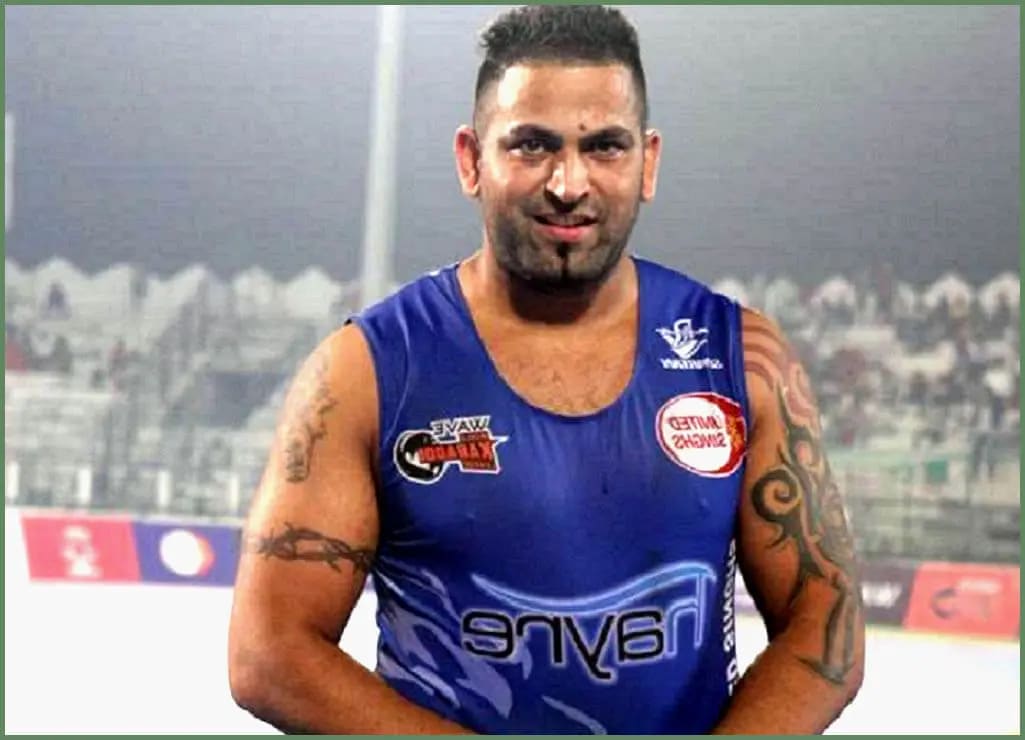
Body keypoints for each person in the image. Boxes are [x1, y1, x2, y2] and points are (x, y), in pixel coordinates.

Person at [228, 5, 864, 734]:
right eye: (531, 145)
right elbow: (269, 654)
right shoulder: (365, 371)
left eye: (605, 147)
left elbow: (826, 624)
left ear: (648, 162)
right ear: (471, 160)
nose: (568, 183)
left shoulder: (740, 358)